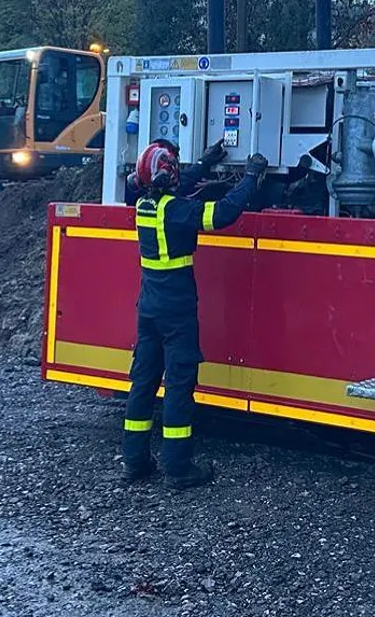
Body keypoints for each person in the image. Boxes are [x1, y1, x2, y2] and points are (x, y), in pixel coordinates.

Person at [122, 139, 268, 489]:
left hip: (150, 311)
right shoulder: (178, 212)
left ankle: (135, 461)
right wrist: (251, 176)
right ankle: (178, 467)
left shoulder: (145, 205)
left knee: (142, 384)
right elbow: (222, 214)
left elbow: (180, 186)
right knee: (178, 386)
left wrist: (204, 163)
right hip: (177, 313)